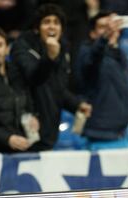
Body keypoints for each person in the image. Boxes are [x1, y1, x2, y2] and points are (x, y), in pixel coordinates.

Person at [11, 3, 92, 151]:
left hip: (50, 129)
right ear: (37, 28)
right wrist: (49, 58)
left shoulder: (62, 49)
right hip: (26, 130)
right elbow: (34, 78)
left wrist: (76, 104)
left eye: (56, 23)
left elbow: (56, 87)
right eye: (46, 22)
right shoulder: (23, 47)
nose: (52, 27)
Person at [75, 10, 128, 150]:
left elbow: (124, 89)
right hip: (99, 137)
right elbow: (92, 59)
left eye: (112, 26)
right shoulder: (86, 52)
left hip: (120, 133)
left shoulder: (119, 53)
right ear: (92, 34)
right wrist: (104, 39)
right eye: (103, 27)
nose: (110, 30)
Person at [0, 26, 39, 153]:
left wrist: (33, 117)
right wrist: (7, 139)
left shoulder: (17, 73)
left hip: (21, 150)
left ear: (6, 48)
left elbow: (28, 103)